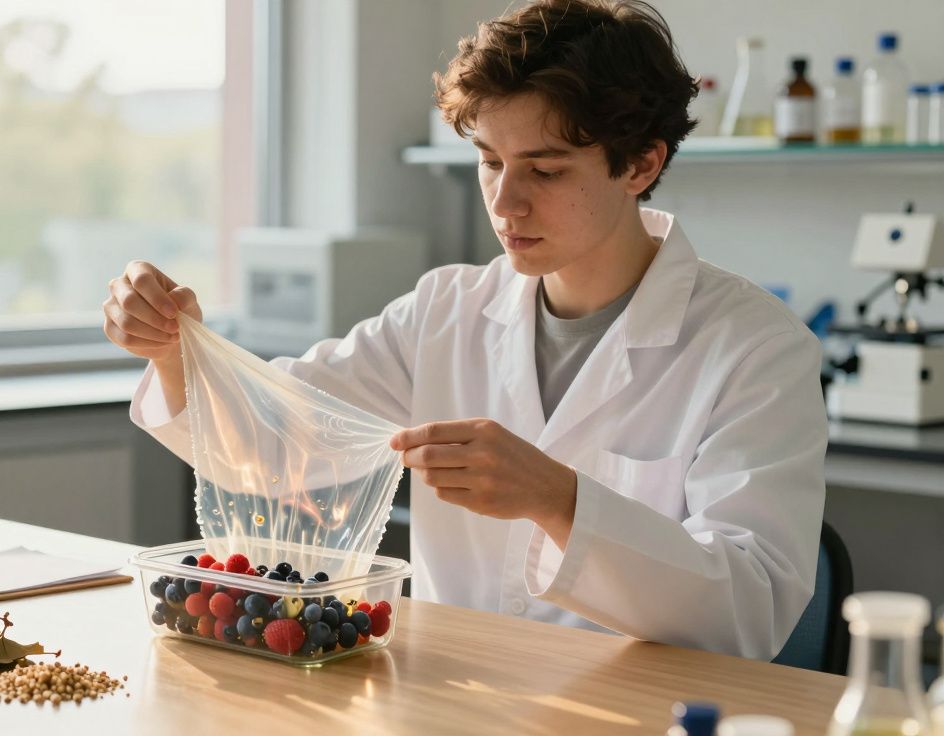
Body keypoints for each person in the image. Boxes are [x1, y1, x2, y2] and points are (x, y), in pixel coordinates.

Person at [101, 0, 826, 660]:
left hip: (638, 711)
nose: (505, 202)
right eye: (488, 162)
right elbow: (273, 442)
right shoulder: (444, 311)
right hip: (447, 694)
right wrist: (174, 351)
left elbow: (748, 609)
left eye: (543, 170)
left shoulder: (755, 347)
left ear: (639, 164)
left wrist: (561, 501)